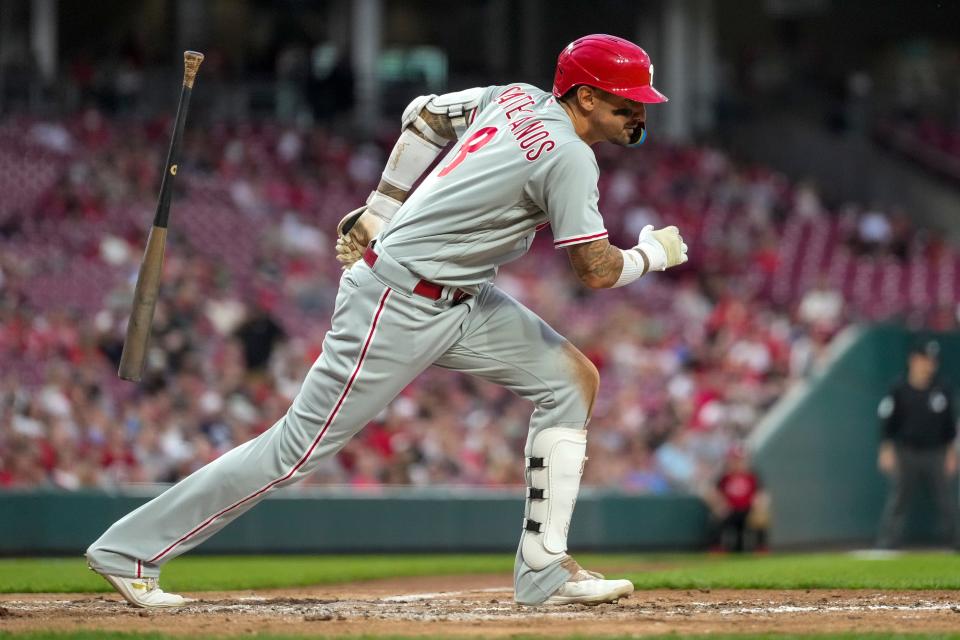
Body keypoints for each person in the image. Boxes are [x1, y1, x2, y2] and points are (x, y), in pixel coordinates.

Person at [86, 34, 688, 608]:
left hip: (464, 298)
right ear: (586, 96)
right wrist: (653, 253)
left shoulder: (514, 97)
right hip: (398, 302)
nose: (640, 115)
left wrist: (380, 208)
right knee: (295, 450)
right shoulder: (570, 157)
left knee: (569, 380)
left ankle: (543, 568)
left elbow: (424, 116)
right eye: (628, 102)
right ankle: (129, 551)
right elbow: (596, 270)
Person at [876, 339, 960, 549]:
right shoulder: (899, 388)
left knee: (946, 501)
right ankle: (887, 543)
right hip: (907, 451)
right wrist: (886, 449)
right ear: (913, 360)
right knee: (898, 500)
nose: (929, 364)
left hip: (936, 452)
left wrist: (952, 453)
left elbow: (950, 426)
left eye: (932, 360)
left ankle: (956, 541)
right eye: (924, 359)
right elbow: (888, 422)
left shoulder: (942, 388)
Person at [706, 446, 769, 553]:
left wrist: (759, 508)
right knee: (716, 519)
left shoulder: (752, 476)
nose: (737, 463)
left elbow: (762, 494)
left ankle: (761, 548)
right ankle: (716, 548)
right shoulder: (724, 476)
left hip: (748, 510)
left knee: (761, 519)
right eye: (734, 460)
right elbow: (712, 492)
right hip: (730, 511)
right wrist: (719, 505)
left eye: (740, 460)